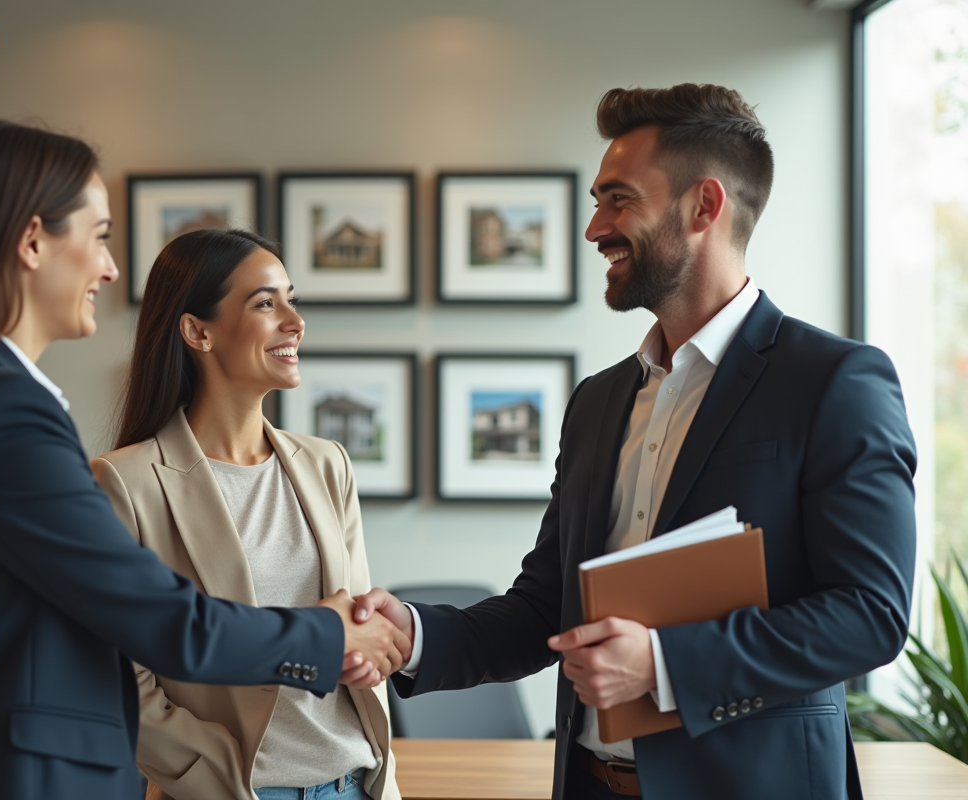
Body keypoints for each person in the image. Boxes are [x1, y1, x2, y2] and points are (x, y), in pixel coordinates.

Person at [354, 84, 917, 800]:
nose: (594, 228)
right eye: (598, 202)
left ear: (703, 206)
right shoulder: (598, 401)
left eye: (618, 200)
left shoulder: (834, 382)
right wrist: (413, 632)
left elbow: (870, 613)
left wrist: (663, 662)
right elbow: (544, 611)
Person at [0, 120, 404, 800]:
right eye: (98, 237)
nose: (110, 267)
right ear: (33, 241)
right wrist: (325, 636)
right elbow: (163, 621)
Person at [91, 228, 402, 800]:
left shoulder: (327, 463)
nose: (294, 321)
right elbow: (118, 680)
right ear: (197, 331)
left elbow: (356, 627)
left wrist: (365, 655)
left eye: (292, 299)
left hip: (357, 784)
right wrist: (217, 777)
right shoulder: (126, 483)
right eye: (266, 302)